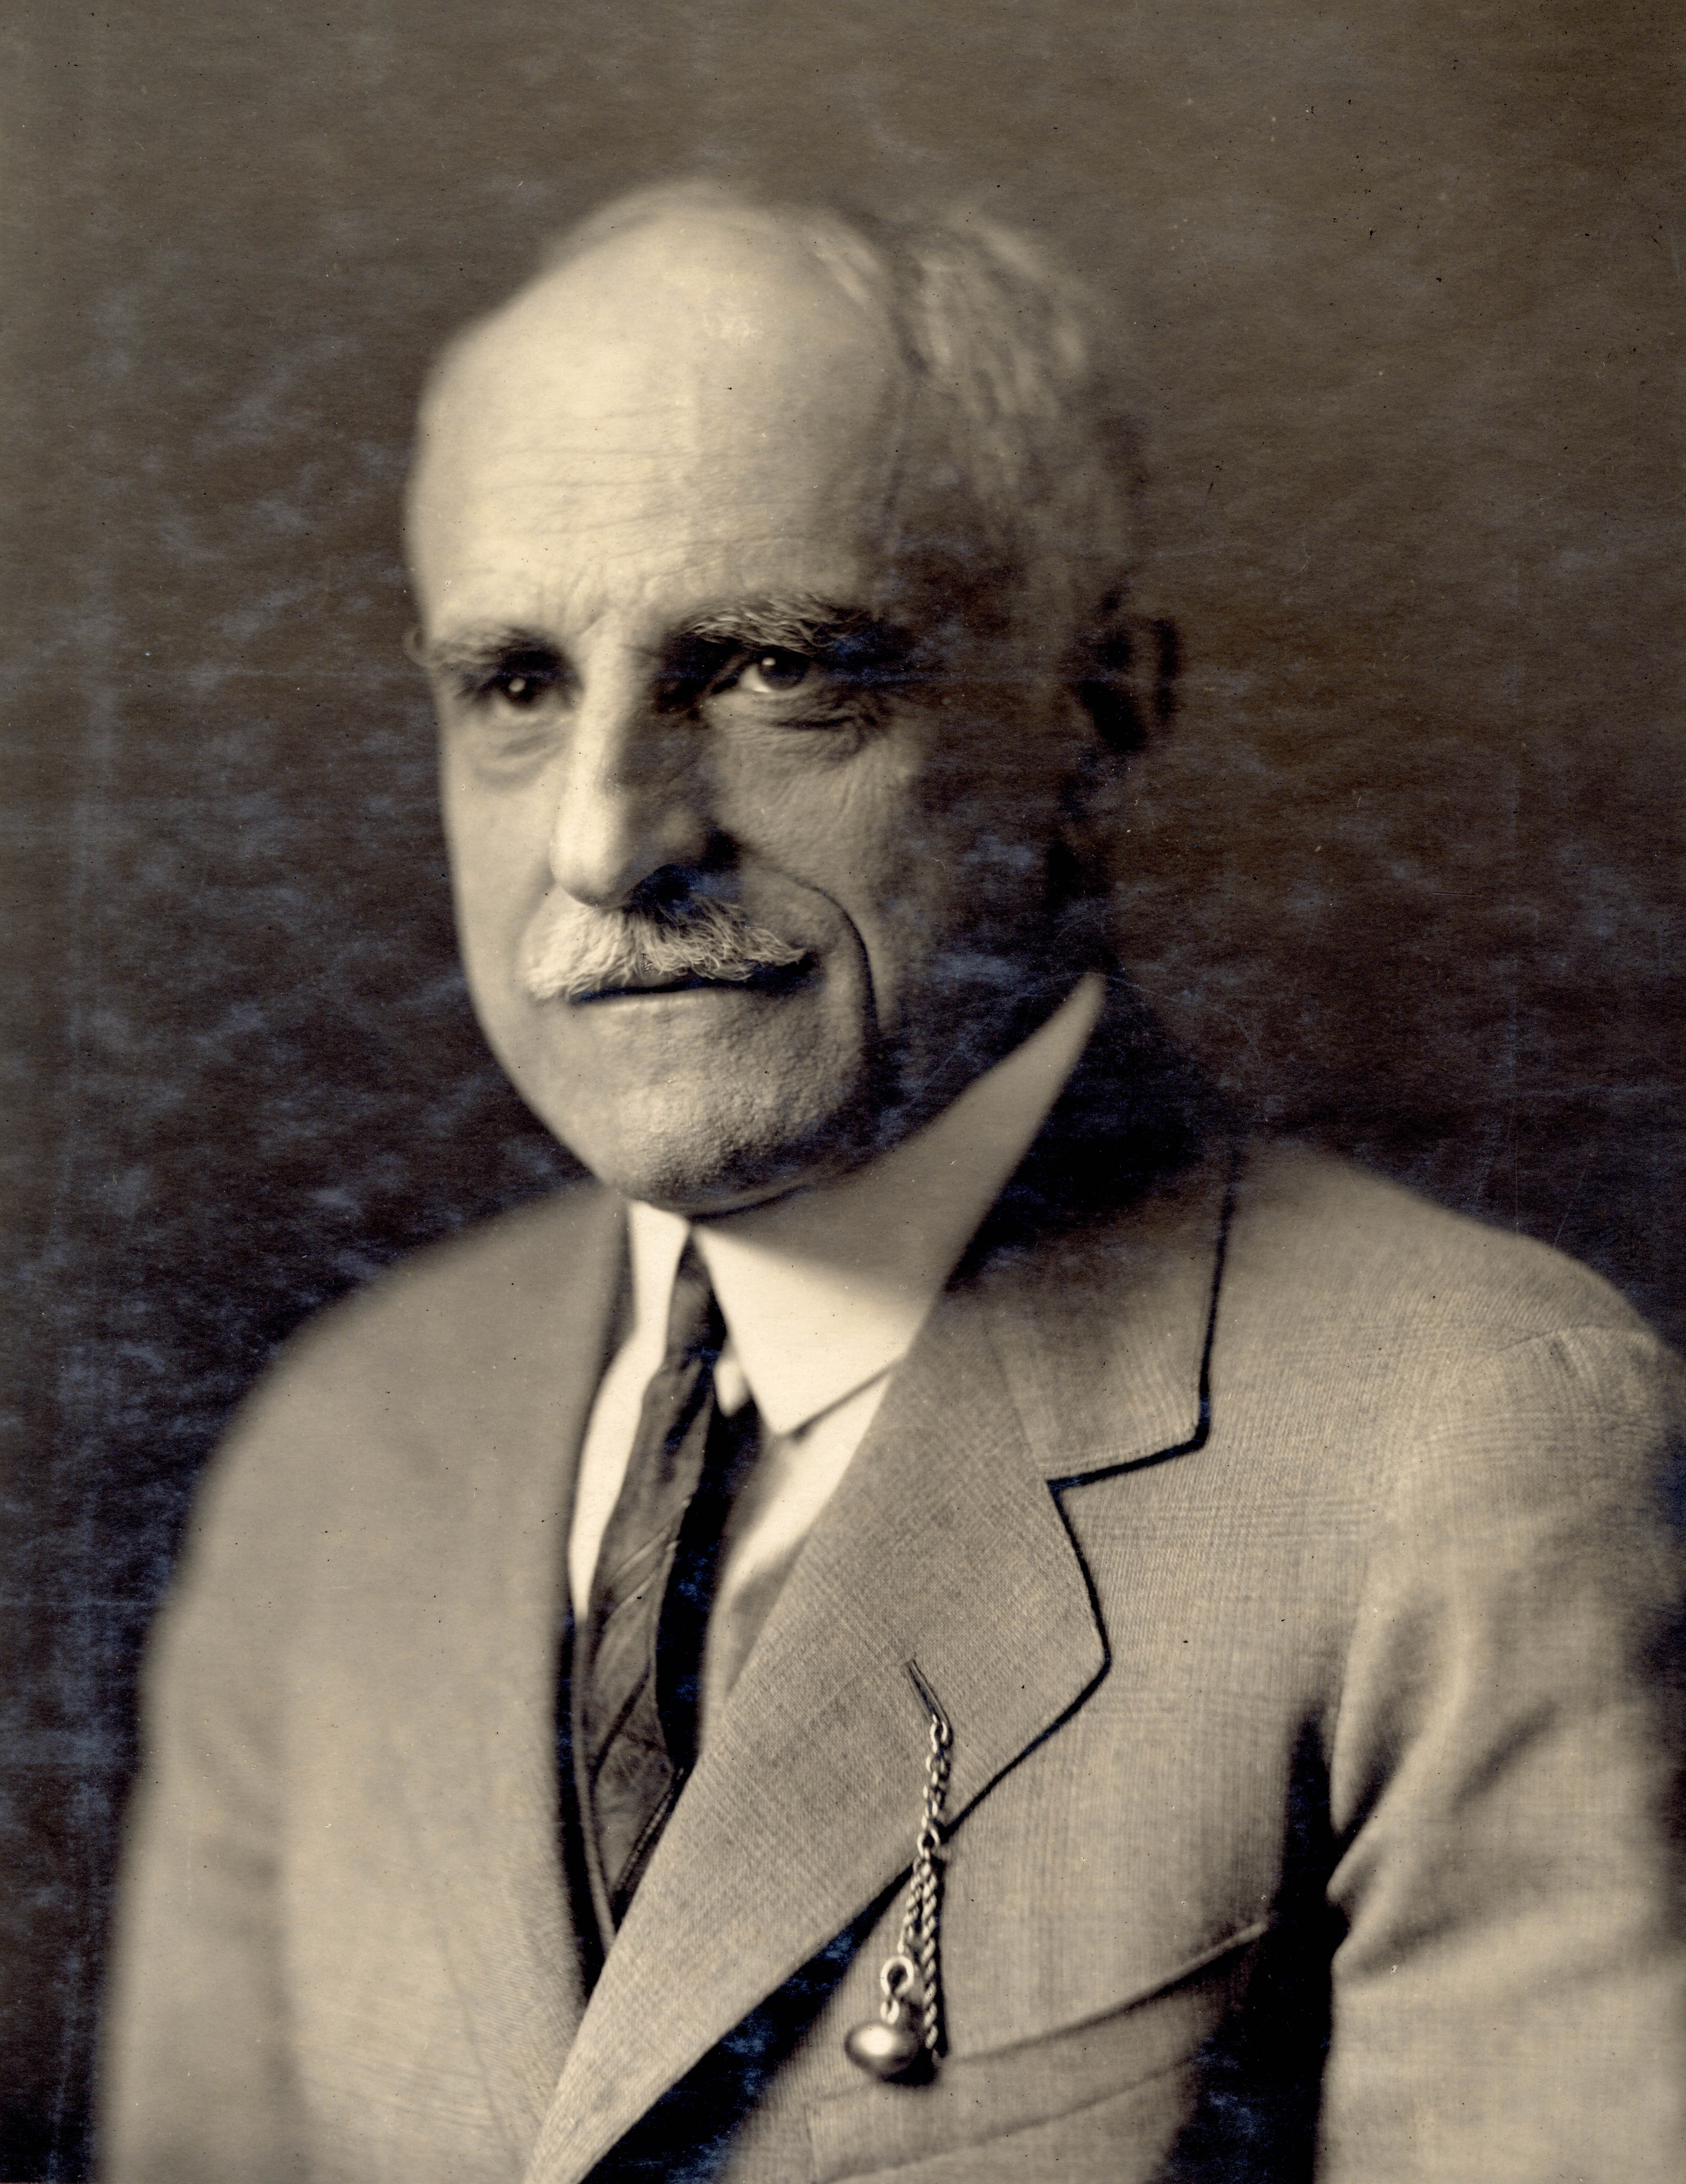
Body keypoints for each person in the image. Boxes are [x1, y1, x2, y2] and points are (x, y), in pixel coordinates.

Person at [101, 180, 1685, 2184]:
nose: (603, 843)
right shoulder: (341, 1455)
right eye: (513, 686)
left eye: (770, 669)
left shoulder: (1471, 1449)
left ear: (1099, 721)